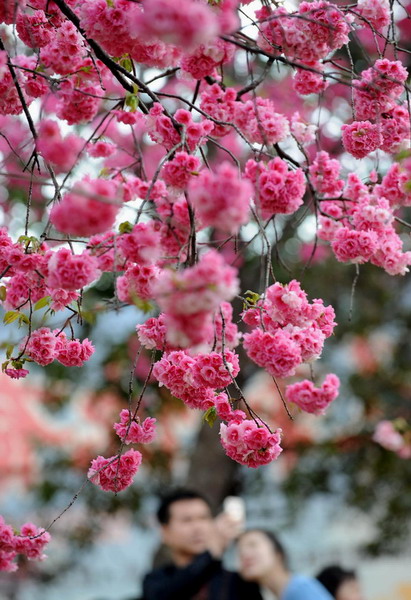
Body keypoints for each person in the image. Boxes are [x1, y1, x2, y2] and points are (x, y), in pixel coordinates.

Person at [142, 489, 263, 600]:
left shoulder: (239, 582)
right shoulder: (156, 581)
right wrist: (212, 552)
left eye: (204, 518)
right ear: (165, 532)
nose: (198, 528)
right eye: (187, 520)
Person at [237, 529, 334, 600]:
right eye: (240, 550)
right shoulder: (286, 593)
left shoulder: (299, 588)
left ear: (278, 554)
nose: (244, 553)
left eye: (253, 545)